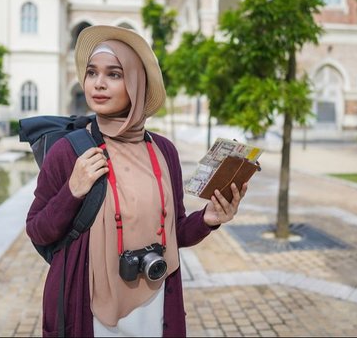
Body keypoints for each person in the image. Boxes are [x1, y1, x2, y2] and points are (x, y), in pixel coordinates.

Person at [26, 25, 248, 337]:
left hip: (155, 307)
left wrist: (208, 219)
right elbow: (37, 229)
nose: (98, 84)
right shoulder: (70, 151)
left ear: (135, 82)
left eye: (114, 74)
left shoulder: (163, 151)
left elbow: (175, 232)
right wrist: (72, 191)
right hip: (90, 310)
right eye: (92, 73)